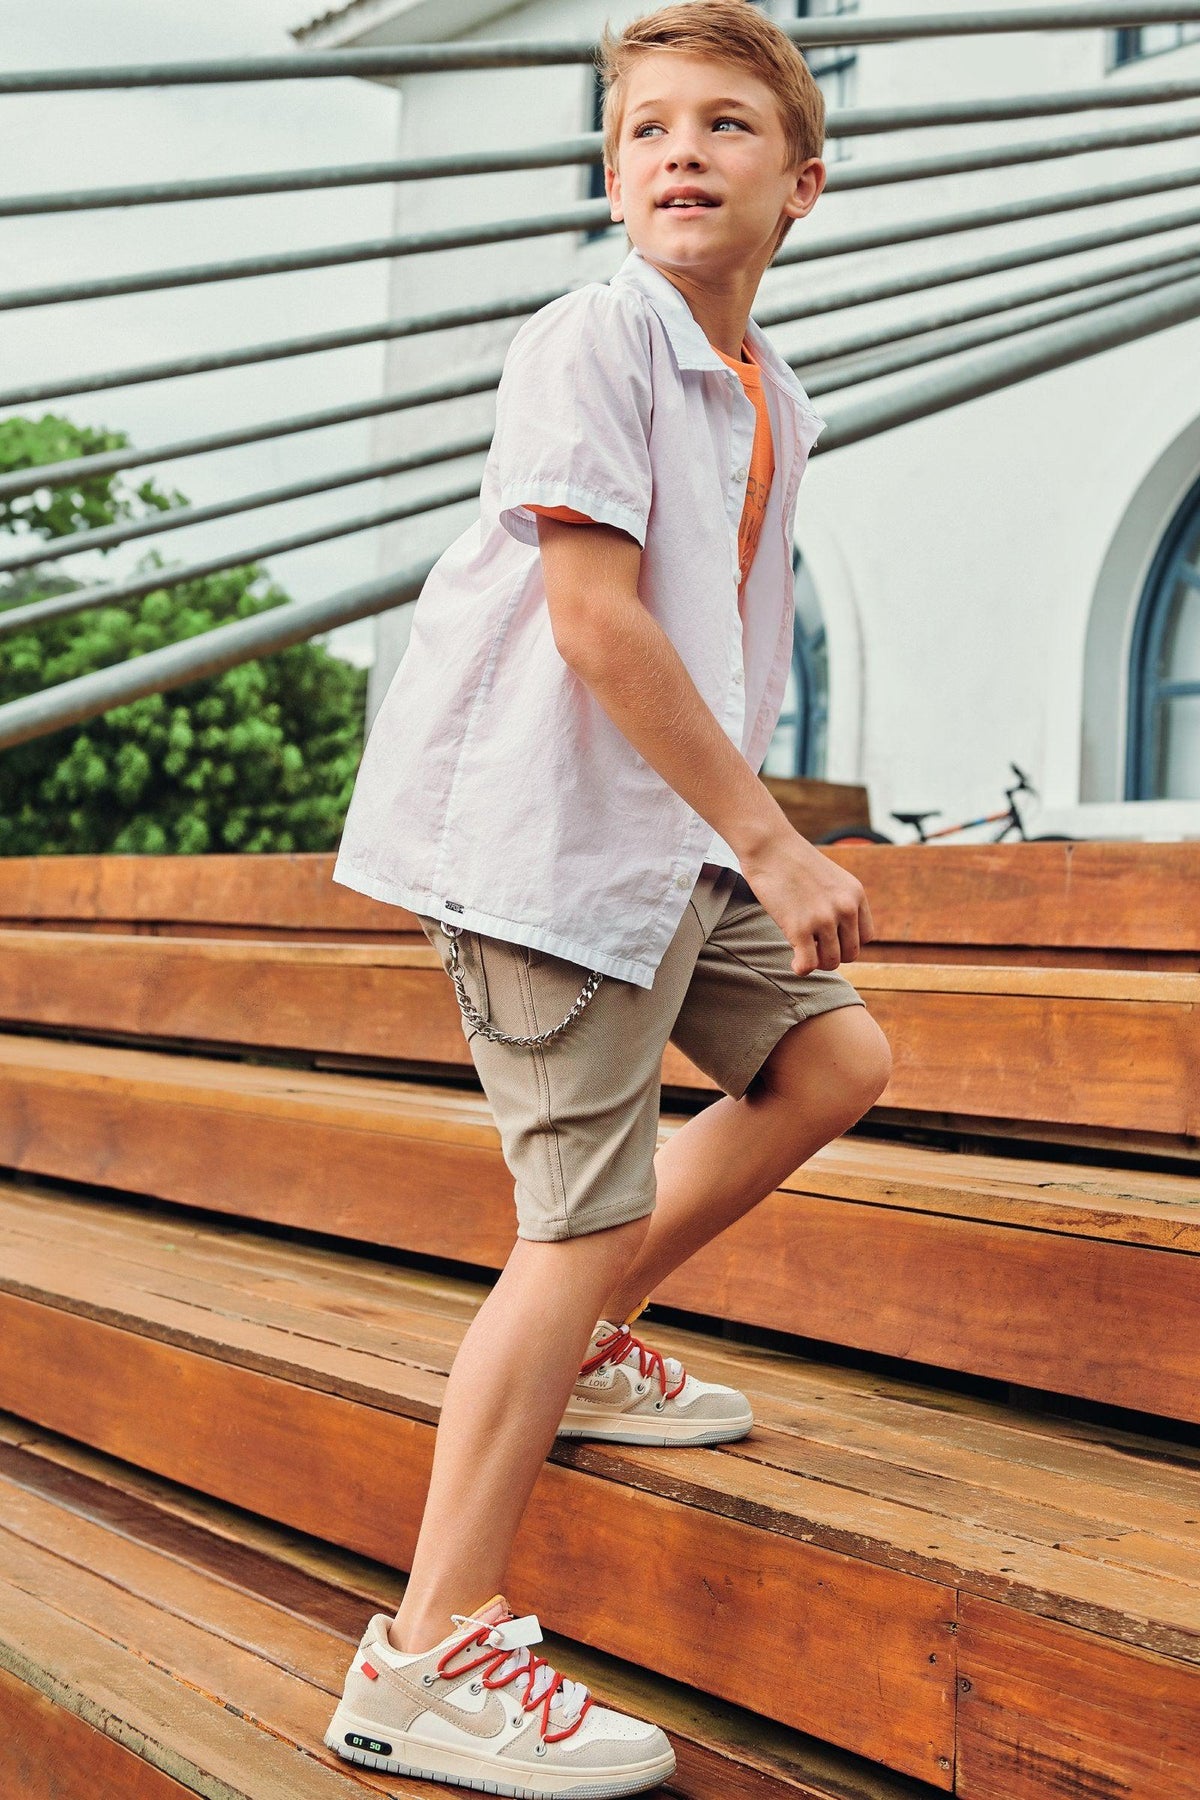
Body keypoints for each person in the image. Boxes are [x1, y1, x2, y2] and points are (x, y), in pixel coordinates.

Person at [324, 3, 892, 1793]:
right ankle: (427, 1657)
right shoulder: (594, 338)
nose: (679, 153)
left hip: (669, 839)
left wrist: (741, 841)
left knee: (835, 1059)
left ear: (802, 184)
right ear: (609, 170)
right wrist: (778, 840)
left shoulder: (768, 385)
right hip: (549, 845)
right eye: (647, 127)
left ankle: (581, 1345)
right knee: (568, 1223)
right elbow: (593, 620)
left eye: (726, 125)